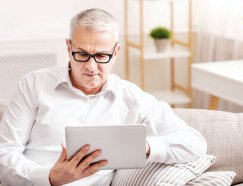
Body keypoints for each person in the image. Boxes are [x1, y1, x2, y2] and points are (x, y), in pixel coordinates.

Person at [0, 8, 207, 186]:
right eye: (81, 54)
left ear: (115, 52)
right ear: (68, 47)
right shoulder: (34, 84)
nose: (91, 67)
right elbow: (4, 154)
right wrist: (49, 177)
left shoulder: (131, 97)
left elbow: (195, 143)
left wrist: (143, 147)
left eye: (101, 56)